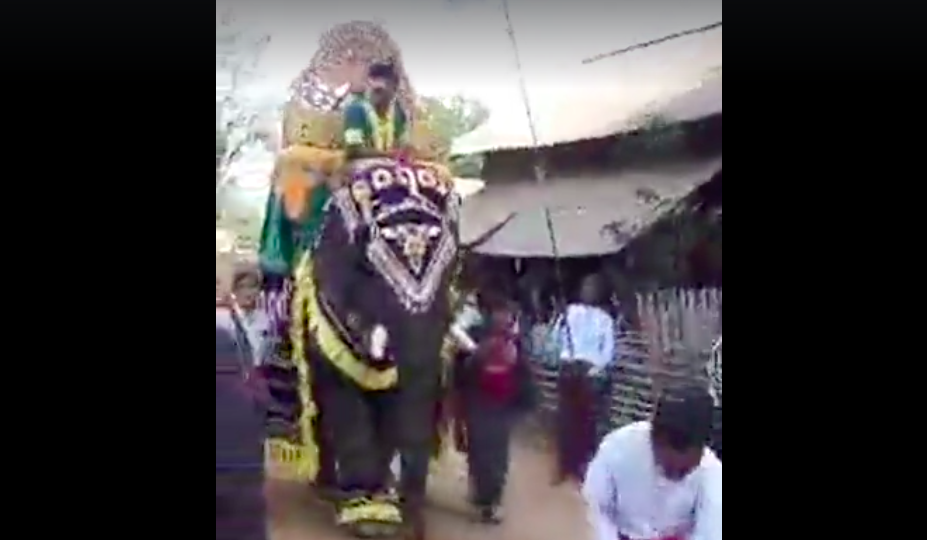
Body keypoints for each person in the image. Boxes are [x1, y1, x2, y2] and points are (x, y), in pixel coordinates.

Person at [583, 385, 722, 540]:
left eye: (684, 472)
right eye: (668, 469)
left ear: (701, 450)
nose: (674, 478)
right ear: (654, 440)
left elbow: (710, 533)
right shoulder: (617, 448)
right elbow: (594, 506)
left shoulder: (712, 474)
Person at [457, 297, 536, 524]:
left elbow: (523, 375)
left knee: (493, 454)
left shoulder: (512, 341)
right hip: (481, 402)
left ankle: (491, 500)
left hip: (496, 405)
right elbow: (462, 368)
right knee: (480, 450)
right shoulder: (475, 336)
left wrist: (524, 403)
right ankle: (484, 495)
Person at [554, 274, 616, 484]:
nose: (588, 290)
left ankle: (580, 467)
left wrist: (594, 370)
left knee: (585, 422)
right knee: (565, 419)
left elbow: (607, 352)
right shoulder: (569, 311)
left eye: (593, 287)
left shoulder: (605, 319)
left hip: (589, 372)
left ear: (600, 293)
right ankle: (564, 466)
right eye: (586, 286)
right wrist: (563, 355)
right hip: (569, 366)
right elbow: (556, 339)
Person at [342, 60, 411, 160]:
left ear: (393, 90)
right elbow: (353, 152)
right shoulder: (356, 110)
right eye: (372, 90)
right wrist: (388, 155)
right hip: (360, 168)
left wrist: (406, 151)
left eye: (379, 91)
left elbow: (403, 145)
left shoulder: (399, 113)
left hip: (391, 167)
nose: (374, 96)